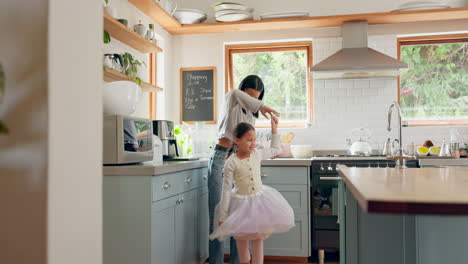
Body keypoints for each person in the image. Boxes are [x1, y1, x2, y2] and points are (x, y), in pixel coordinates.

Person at [208, 75, 279, 264]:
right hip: (221, 157)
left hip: (239, 159)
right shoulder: (232, 99)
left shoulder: (250, 116)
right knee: (218, 216)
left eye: (257, 98)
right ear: (243, 92)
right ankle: (216, 261)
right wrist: (262, 106)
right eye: (250, 97)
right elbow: (234, 92)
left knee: (239, 218)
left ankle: (237, 261)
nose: (253, 101)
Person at [209, 118, 295, 264]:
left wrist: (274, 129)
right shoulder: (231, 162)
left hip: (260, 202)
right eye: (249, 140)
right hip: (241, 204)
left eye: (254, 139)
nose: (253, 143)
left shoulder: (257, 154)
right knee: (242, 239)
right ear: (237, 140)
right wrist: (223, 216)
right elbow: (226, 190)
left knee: (258, 237)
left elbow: (275, 149)